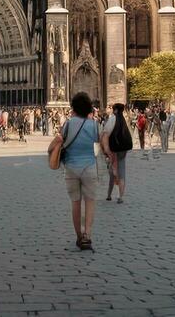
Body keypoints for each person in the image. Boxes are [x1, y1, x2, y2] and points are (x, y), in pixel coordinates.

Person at [52, 91, 103, 251]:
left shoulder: (68, 123)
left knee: (75, 202)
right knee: (90, 202)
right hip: (89, 167)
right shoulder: (93, 124)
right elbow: (98, 140)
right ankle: (87, 235)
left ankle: (78, 236)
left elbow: (61, 139)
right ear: (88, 108)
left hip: (71, 168)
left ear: (73, 107)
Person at [104, 102, 133, 203]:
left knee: (113, 172)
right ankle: (120, 196)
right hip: (123, 149)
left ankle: (109, 194)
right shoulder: (124, 120)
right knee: (122, 172)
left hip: (114, 149)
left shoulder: (113, 118)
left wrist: (106, 149)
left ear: (115, 110)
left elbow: (106, 132)